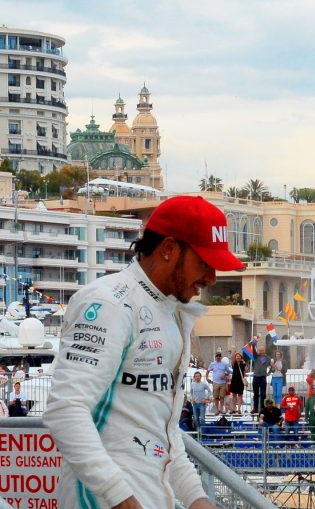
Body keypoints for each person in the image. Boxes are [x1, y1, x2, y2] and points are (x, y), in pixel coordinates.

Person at [43, 194, 242, 509]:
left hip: (149, 494)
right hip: (99, 499)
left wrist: (195, 497)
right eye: (204, 263)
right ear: (168, 249)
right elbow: (66, 410)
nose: (212, 278)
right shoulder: (108, 303)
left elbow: (162, 430)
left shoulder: (172, 314)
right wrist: (120, 497)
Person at [207, 351, 233, 415]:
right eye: (217, 356)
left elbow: (229, 372)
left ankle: (221, 409)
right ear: (215, 357)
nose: (218, 357)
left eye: (219, 356)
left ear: (221, 357)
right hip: (215, 382)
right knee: (216, 397)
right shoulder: (212, 364)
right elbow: (207, 371)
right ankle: (217, 410)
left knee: (222, 397)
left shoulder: (224, 364)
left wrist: (224, 375)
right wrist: (206, 378)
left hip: (223, 383)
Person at [251, 346, 271, 414]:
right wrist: (253, 344)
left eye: (262, 350)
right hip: (255, 377)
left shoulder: (268, 358)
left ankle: (263, 408)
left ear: (264, 350)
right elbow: (253, 352)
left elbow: (272, 365)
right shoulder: (256, 356)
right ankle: (255, 408)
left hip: (263, 378)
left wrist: (269, 372)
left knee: (263, 394)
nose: (261, 352)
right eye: (260, 350)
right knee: (255, 394)